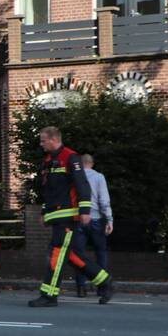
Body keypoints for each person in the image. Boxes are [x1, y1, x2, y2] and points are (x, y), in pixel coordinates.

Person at [30, 126, 115, 307]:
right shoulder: (48, 161)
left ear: (53, 140)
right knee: (72, 255)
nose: (41, 144)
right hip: (58, 217)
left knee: (57, 254)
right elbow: (49, 190)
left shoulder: (70, 158)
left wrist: (84, 211)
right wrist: (45, 211)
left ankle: (49, 295)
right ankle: (104, 281)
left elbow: (82, 185)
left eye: (43, 140)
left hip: (69, 217)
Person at [73, 154, 113, 297]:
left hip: (78, 218)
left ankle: (81, 287)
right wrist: (109, 219)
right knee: (100, 253)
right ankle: (102, 287)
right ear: (92, 163)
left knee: (79, 255)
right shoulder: (99, 177)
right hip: (96, 219)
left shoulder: (75, 176)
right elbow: (104, 200)